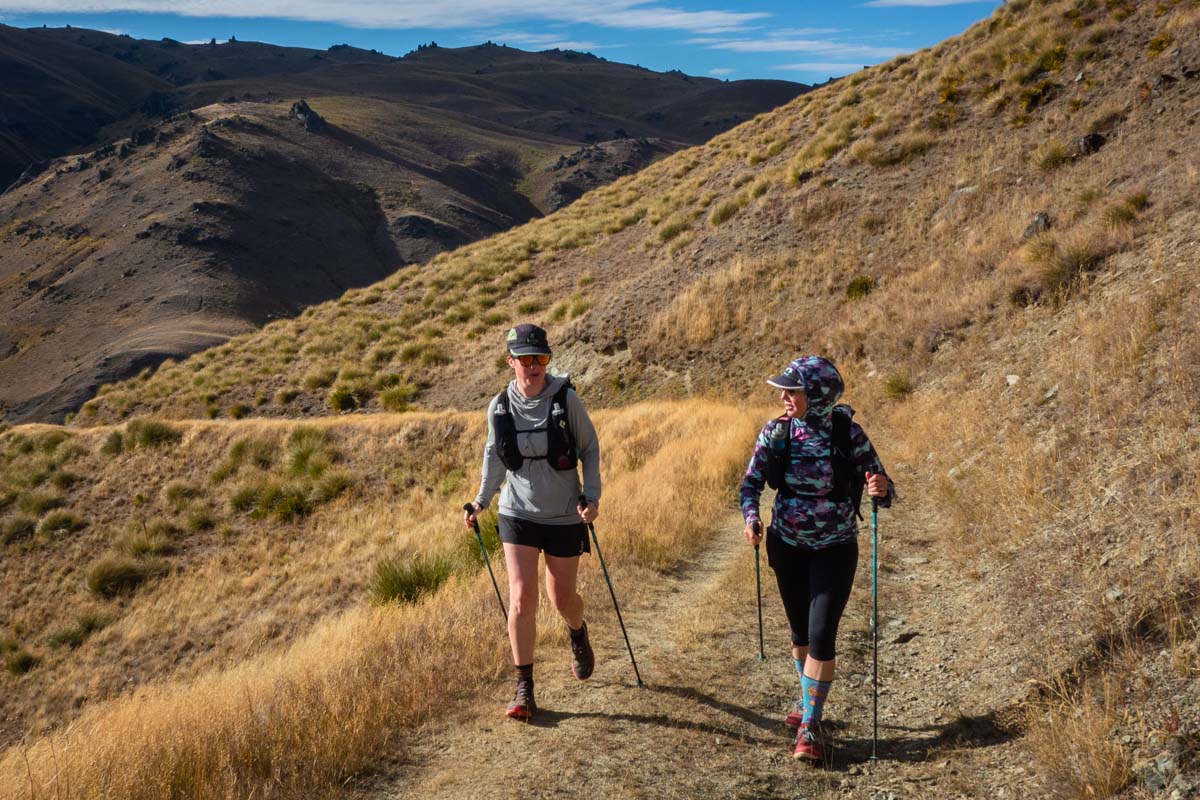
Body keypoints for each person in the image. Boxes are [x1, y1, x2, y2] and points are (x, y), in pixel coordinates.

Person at [739, 356, 895, 762]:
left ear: (819, 395)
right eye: (783, 390)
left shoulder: (848, 433)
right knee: (801, 634)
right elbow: (750, 485)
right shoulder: (776, 433)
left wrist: (880, 488)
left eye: (794, 390)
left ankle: (810, 724)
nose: (785, 397)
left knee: (822, 633)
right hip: (786, 544)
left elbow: (884, 487)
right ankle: (810, 705)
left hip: (836, 546)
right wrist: (752, 518)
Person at [464, 323, 602, 720]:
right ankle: (524, 687)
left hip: (563, 514)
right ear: (511, 363)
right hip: (517, 513)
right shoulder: (499, 406)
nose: (533, 366)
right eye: (525, 359)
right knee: (522, 596)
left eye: (540, 358)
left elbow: (590, 449)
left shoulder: (566, 399)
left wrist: (591, 498)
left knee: (562, 599)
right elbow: (493, 457)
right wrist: (480, 501)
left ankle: (577, 631)